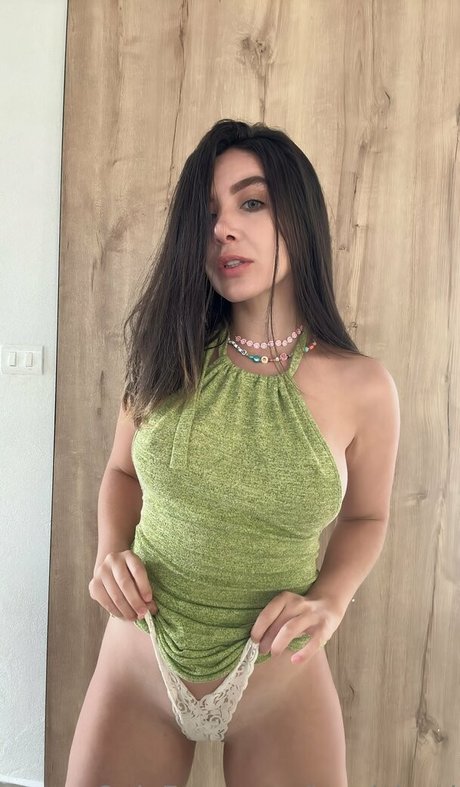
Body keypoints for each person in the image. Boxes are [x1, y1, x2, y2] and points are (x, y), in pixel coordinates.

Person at [66, 118, 400, 786]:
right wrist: (110, 549)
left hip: (279, 683)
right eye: (207, 213)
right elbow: (122, 471)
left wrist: (331, 600)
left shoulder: (363, 387)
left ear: (300, 217)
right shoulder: (167, 352)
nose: (222, 228)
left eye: (251, 202)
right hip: (138, 667)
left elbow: (368, 516)